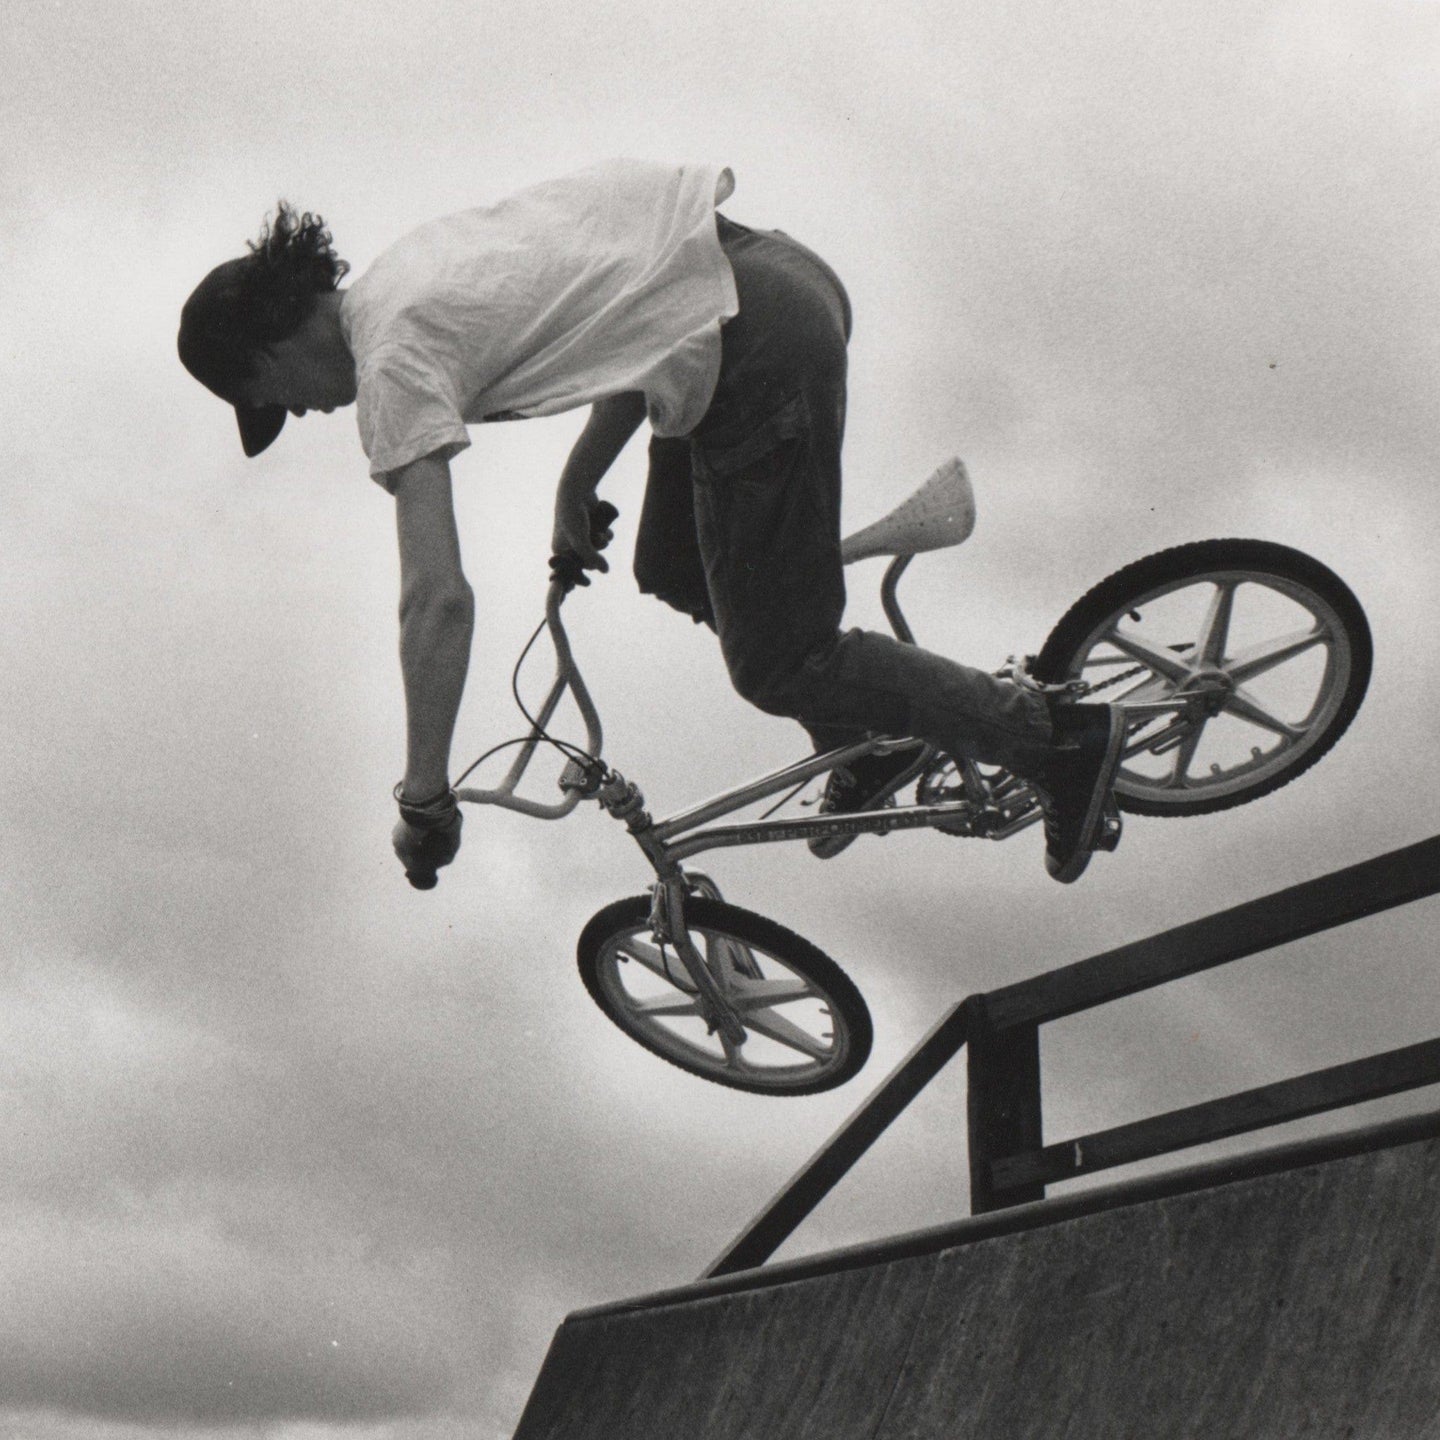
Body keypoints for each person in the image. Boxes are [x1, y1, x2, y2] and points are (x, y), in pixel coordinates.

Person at [177, 159, 1125, 887]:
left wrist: (424, 796)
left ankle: (1053, 738)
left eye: (272, 398)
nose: (301, 412)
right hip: (762, 280)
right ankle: (867, 738)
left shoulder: (387, 362)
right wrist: (578, 480)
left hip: (750, 348)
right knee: (671, 561)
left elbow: (436, 601)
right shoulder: (409, 274)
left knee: (779, 660)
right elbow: (628, 306)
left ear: (266, 347)